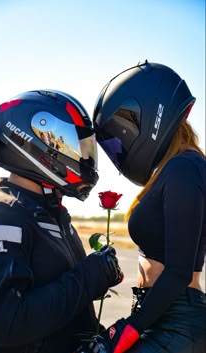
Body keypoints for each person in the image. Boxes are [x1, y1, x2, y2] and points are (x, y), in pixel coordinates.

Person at [0, 89, 124, 353]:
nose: (85, 158)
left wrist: (98, 337)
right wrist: (90, 275)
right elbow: (6, 324)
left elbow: (62, 309)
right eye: (78, 147)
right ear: (43, 143)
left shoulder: (49, 212)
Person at [76, 60, 206, 353]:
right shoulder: (177, 168)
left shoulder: (184, 167)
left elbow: (179, 272)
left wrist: (128, 328)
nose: (118, 150)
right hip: (164, 316)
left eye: (119, 137)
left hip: (178, 323)